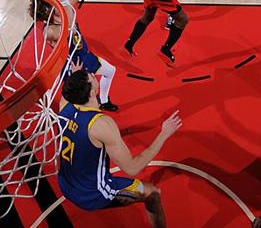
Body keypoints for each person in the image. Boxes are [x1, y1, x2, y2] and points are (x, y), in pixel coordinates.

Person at [58, 60, 182, 228]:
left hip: (66, 184)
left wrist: (76, 76)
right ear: (92, 92)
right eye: (92, 77)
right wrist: (163, 134)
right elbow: (132, 168)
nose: (94, 74)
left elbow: (70, 92)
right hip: (93, 193)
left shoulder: (64, 105)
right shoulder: (101, 124)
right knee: (153, 194)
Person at [28, 0, 119, 111]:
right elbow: (69, 29)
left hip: (84, 55)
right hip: (71, 66)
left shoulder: (64, 7)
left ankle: (104, 100)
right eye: (52, 2)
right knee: (78, 99)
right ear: (46, 12)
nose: (56, 2)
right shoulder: (49, 31)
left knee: (110, 70)